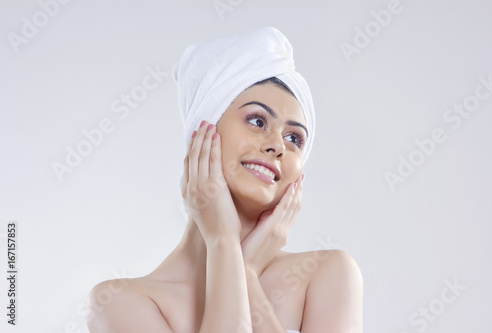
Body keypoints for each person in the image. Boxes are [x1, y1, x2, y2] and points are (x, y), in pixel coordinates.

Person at [86, 27, 363, 333]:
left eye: (294, 138)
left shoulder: (327, 275)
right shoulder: (120, 303)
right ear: (201, 137)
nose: (277, 145)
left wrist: (244, 271)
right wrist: (223, 243)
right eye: (258, 121)